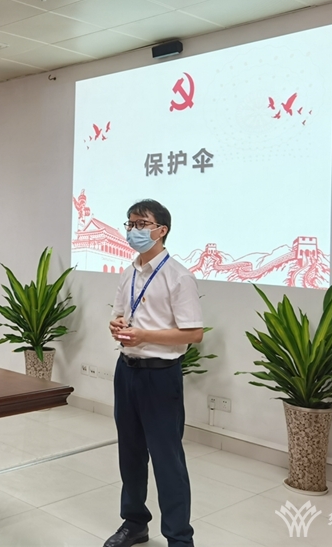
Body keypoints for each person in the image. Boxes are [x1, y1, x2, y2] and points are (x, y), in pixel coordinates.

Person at [104, 199, 204, 547]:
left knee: (167, 459)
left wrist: (145, 336)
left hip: (160, 375)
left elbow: (194, 333)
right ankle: (134, 523)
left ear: (161, 230)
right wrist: (117, 325)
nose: (134, 230)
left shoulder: (179, 276)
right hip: (127, 371)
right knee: (130, 453)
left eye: (141, 224)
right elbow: (118, 316)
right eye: (130, 224)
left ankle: (179, 538)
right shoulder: (129, 272)